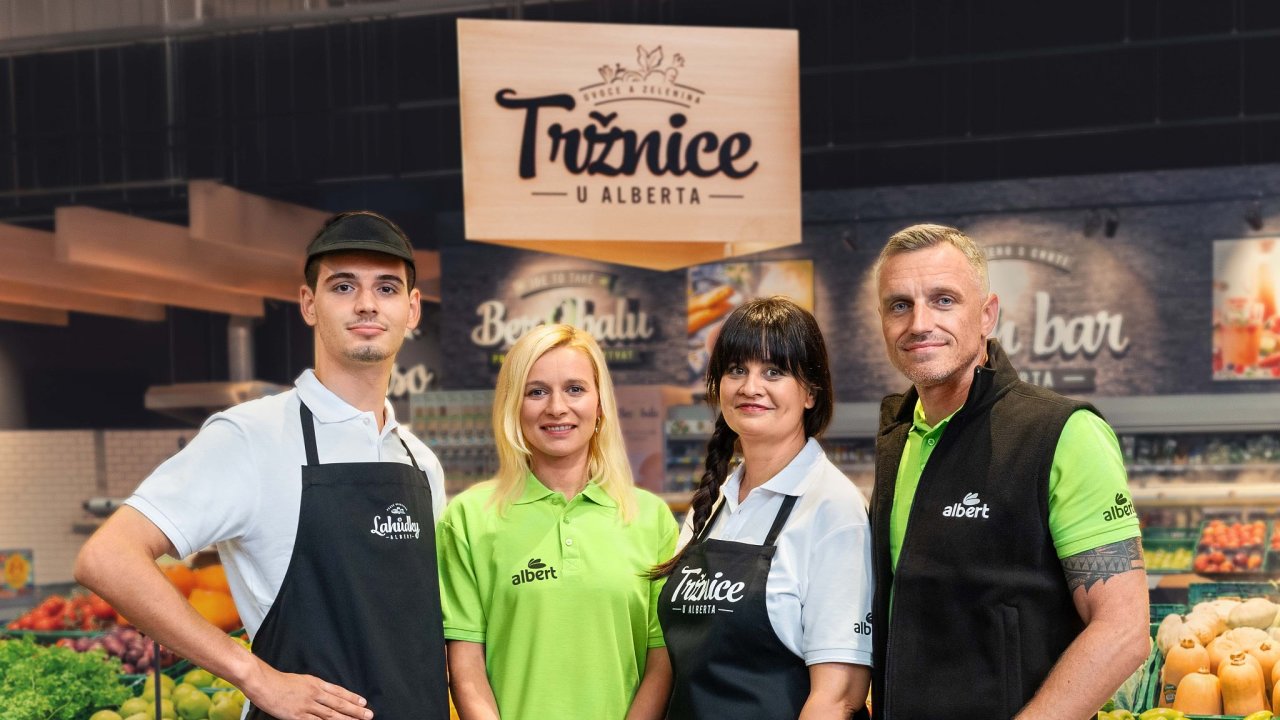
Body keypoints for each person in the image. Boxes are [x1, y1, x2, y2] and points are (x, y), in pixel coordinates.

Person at [75, 211, 449, 720]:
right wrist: (253, 675)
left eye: (386, 288)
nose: (366, 303)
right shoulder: (251, 436)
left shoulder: (420, 462)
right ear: (309, 304)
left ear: (412, 308)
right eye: (343, 286)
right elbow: (107, 557)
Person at [869, 224, 1149, 719]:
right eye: (899, 305)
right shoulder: (898, 436)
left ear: (987, 315)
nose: (919, 323)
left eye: (943, 300)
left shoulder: (1062, 431)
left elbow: (1123, 630)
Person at [437, 324, 679, 720]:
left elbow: (661, 662)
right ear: (514, 405)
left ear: (599, 404)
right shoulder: (467, 518)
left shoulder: (650, 518)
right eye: (536, 392)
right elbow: (466, 668)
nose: (557, 407)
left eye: (575, 389)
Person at [653, 296, 873, 720]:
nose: (750, 387)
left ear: (811, 393)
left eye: (774, 371)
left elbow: (837, 698)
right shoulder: (712, 503)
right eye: (737, 370)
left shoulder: (833, 509)